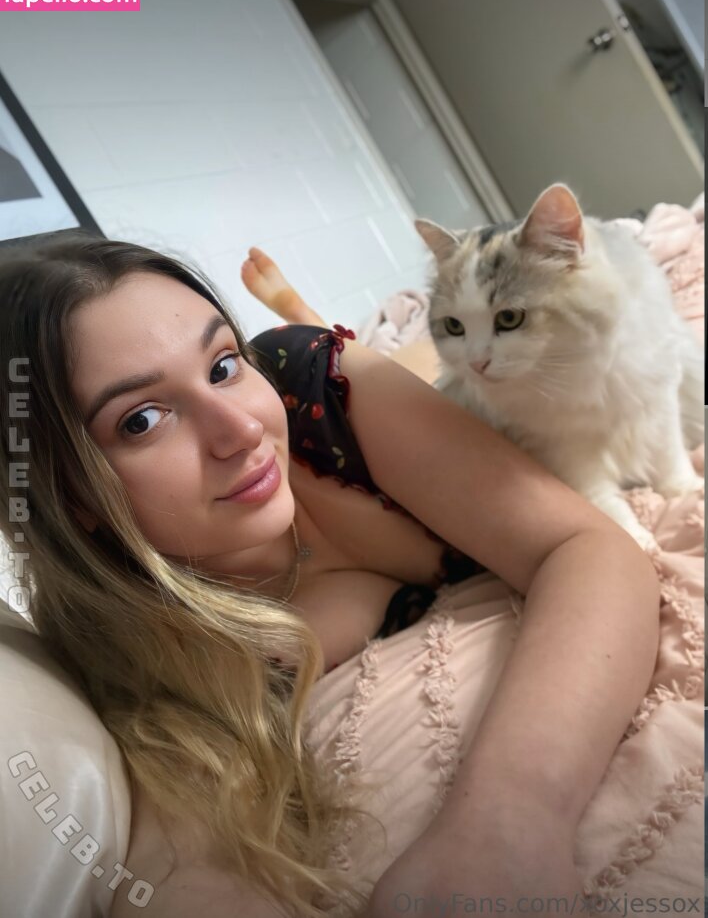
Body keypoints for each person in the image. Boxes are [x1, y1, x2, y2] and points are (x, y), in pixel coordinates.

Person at [0, 234, 661, 918]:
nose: (241, 430)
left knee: (411, 360)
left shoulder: (318, 389)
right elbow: (180, 853)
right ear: (69, 498)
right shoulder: (148, 645)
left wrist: (510, 817)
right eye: (142, 420)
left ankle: (295, 316)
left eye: (222, 364)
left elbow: (587, 545)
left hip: (345, 373)